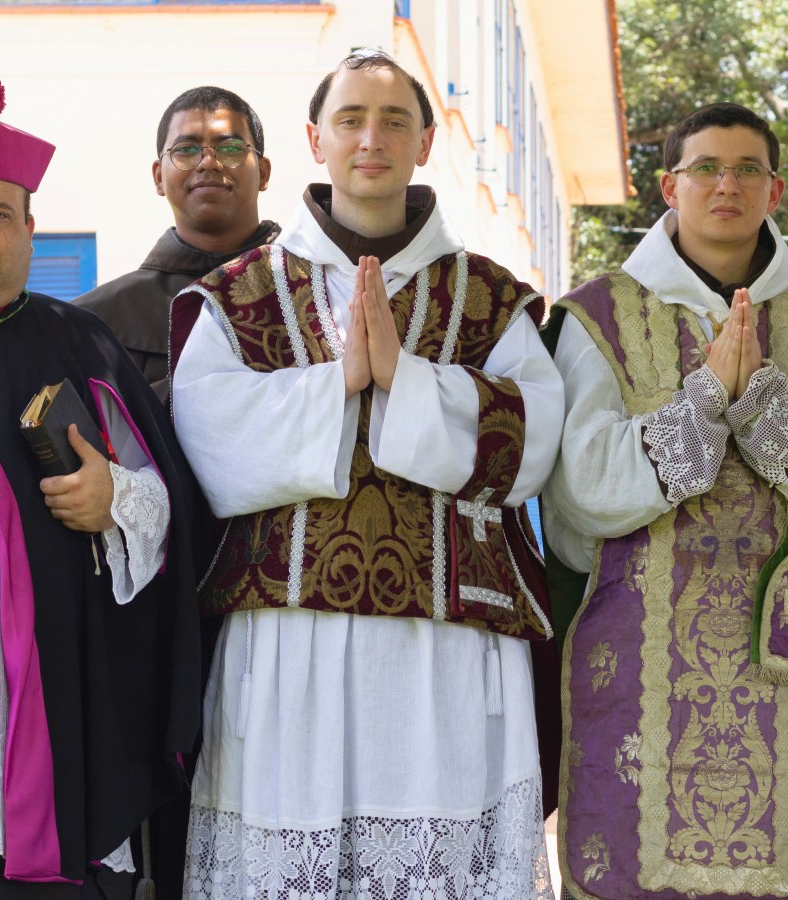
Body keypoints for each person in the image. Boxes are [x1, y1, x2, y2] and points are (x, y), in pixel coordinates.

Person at [169, 51, 563, 898]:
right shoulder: (240, 293)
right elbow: (208, 436)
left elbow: (534, 444)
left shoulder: (493, 298)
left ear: (425, 143)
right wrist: (340, 382)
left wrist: (407, 383)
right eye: (351, 119)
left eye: (393, 121)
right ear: (316, 140)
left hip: (449, 648)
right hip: (285, 641)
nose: (371, 139)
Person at [542, 102, 788, 900]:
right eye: (705, 167)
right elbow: (582, 488)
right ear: (669, 185)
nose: (724, 184)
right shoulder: (597, 317)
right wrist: (702, 402)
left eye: (746, 170)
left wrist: (763, 410)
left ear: (775, 192)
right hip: (640, 658)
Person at [0, 68, 201, 896]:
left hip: (57, 735)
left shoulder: (84, 346)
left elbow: (171, 508)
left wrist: (116, 500)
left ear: (32, 230)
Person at [76, 86, 278, 403]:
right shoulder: (92, 322)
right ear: (158, 177)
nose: (208, 162)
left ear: (263, 173)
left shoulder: (319, 291)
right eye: (186, 149)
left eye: (231, 148)